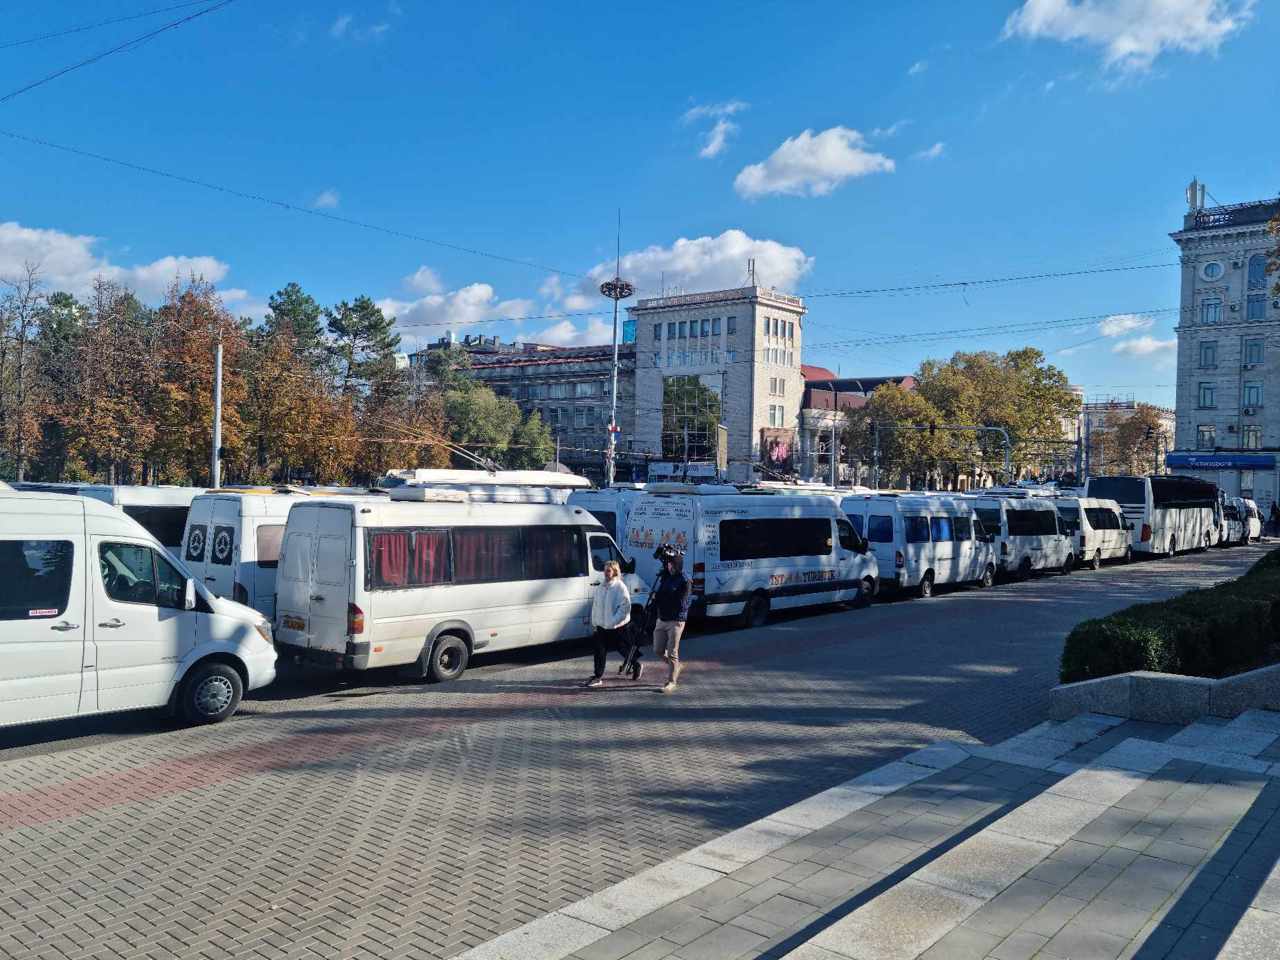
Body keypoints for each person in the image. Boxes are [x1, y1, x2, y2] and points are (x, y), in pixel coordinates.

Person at [583, 560, 636, 688]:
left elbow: (625, 608)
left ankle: (636, 664)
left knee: (622, 648)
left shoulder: (620, 587)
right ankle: (597, 676)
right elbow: (595, 606)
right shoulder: (601, 586)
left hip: (615, 626)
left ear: (614, 572)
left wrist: (613, 621)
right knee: (599, 651)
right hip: (601, 626)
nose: (605, 573)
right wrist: (595, 622)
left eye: (608, 570)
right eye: (604, 570)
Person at [651, 545, 692, 694]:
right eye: (668, 564)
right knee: (657, 650)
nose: (669, 567)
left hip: (676, 620)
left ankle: (671, 682)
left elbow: (681, 603)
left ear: (678, 565)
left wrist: (662, 598)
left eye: (672, 564)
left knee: (672, 652)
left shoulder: (685, 580)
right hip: (662, 618)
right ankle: (676, 666)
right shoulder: (666, 576)